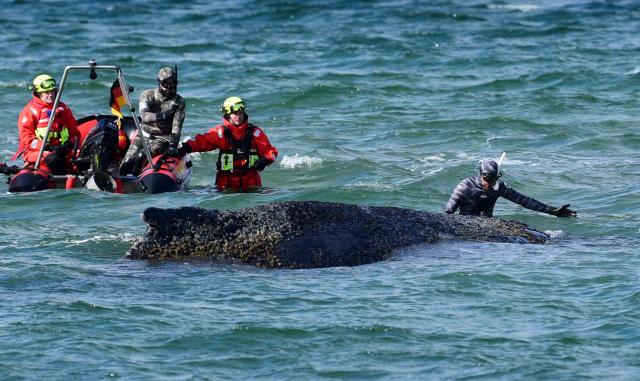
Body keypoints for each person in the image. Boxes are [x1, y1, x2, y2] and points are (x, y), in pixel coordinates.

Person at [173, 96, 278, 192]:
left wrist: (264, 160)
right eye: (235, 113)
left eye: (240, 113)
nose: (238, 116)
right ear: (228, 114)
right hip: (226, 186)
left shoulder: (255, 132)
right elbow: (202, 142)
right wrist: (185, 148)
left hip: (251, 185)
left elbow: (271, 152)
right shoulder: (220, 133)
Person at [444, 158, 576, 218]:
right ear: (480, 175)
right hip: (466, 223)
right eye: (487, 179)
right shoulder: (465, 186)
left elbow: (524, 201)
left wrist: (553, 211)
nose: (490, 183)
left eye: (494, 179)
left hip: (488, 224)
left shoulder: (498, 187)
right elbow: (448, 212)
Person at [119, 66, 186, 175]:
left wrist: (173, 146)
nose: (169, 88)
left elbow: (176, 127)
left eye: (172, 84)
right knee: (127, 163)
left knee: (141, 156)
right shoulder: (147, 95)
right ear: (159, 83)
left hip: (162, 139)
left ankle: (137, 182)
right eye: (166, 84)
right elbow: (145, 116)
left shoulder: (179, 102)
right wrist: (163, 115)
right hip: (143, 135)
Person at [15, 73, 79, 175]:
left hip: (61, 149)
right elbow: (27, 139)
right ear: (38, 93)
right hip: (36, 151)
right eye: (46, 92)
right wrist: (47, 147)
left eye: (52, 91)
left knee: (82, 158)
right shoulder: (30, 111)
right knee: (54, 159)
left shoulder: (63, 109)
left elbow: (74, 132)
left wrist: (68, 145)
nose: (51, 94)